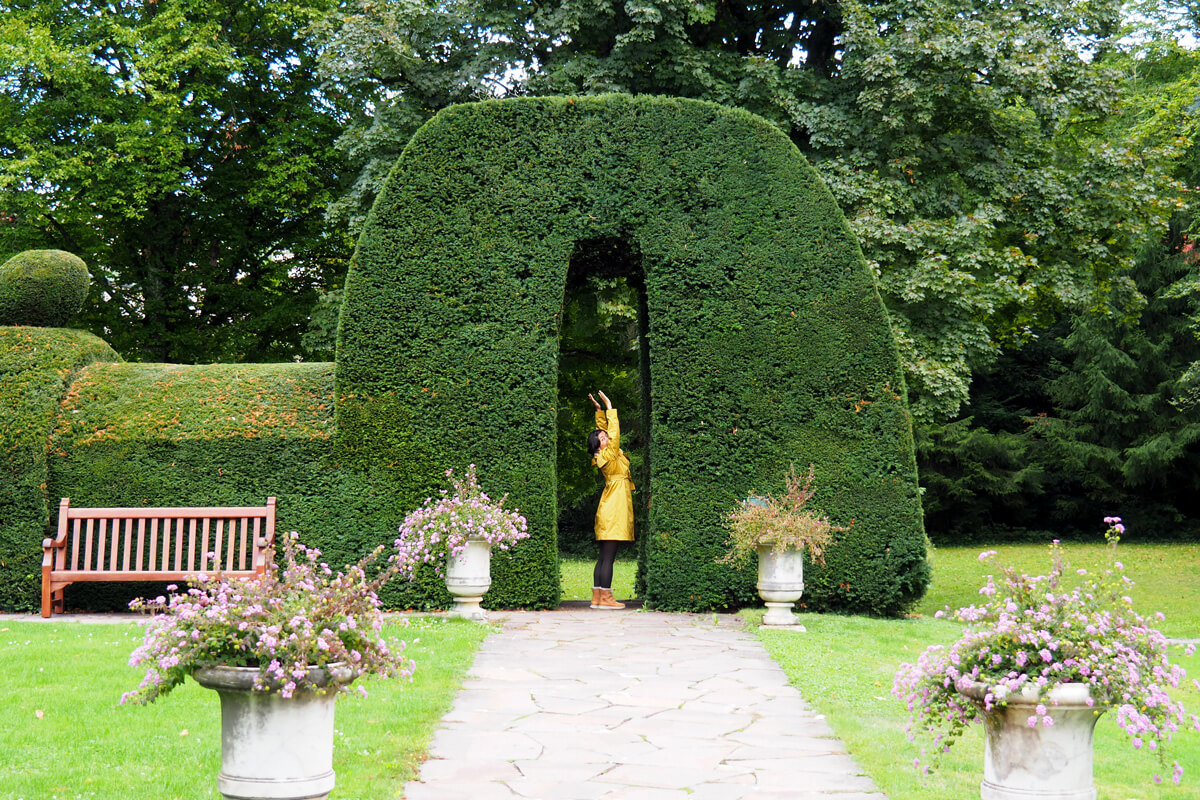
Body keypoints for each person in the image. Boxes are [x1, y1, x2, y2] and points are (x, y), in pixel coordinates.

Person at [587, 390, 634, 610]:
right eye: (602, 439)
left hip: (609, 505)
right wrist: (609, 406)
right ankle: (606, 599)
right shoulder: (608, 454)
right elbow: (613, 434)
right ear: (600, 446)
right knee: (609, 556)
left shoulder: (602, 454)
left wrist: (599, 412)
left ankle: (598, 598)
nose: (605, 436)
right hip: (614, 507)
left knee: (604, 556)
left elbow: (605, 434)